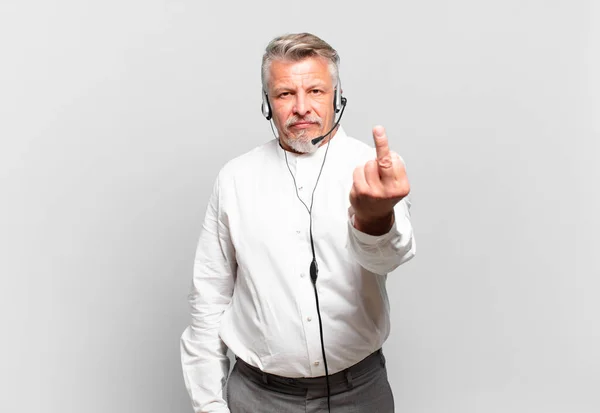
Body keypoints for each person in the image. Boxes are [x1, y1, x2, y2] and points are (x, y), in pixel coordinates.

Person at [180, 32, 416, 413]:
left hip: (360, 393)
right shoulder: (235, 179)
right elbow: (209, 298)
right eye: (285, 93)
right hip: (259, 397)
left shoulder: (371, 169)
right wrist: (209, 403)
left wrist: (376, 218)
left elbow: (388, 258)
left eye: (317, 92)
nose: (302, 107)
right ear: (267, 104)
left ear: (338, 97)